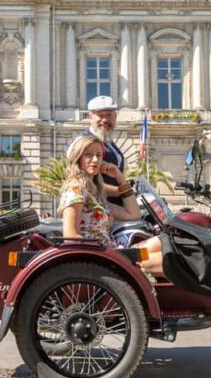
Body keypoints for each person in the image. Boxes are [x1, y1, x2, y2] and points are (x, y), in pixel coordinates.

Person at [59, 134, 164, 277]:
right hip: (103, 259)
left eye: (99, 155)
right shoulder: (75, 188)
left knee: (164, 241)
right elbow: (70, 236)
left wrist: (119, 177)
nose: (95, 160)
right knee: (169, 260)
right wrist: (106, 254)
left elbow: (133, 214)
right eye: (88, 155)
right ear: (78, 158)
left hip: (111, 252)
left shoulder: (94, 192)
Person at [78, 96, 125, 205]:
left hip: (113, 208)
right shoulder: (83, 142)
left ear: (115, 117)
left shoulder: (108, 141)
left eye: (109, 115)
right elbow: (84, 182)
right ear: (90, 117)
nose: (105, 120)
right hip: (96, 208)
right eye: (100, 115)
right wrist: (123, 191)